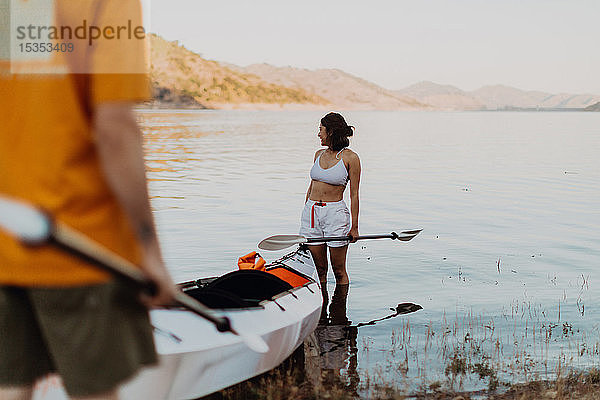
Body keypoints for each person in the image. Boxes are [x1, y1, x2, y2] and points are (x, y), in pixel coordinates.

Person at [0, 1, 176, 399]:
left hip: (4, 240)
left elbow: (27, 94)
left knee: (9, 389)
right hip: (80, 244)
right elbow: (114, 128)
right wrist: (150, 252)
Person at [300, 112, 361, 285]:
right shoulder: (318, 154)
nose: (318, 134)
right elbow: (312, 185)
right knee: (319, 270)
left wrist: (354, 227)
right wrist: (305, 211)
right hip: (311, 214)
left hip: (335, 215)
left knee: (339, 271)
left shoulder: (351, 158)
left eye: (321, 129)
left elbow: (354, 194)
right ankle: (322, 306)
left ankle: (340, 310)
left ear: (331, 131)